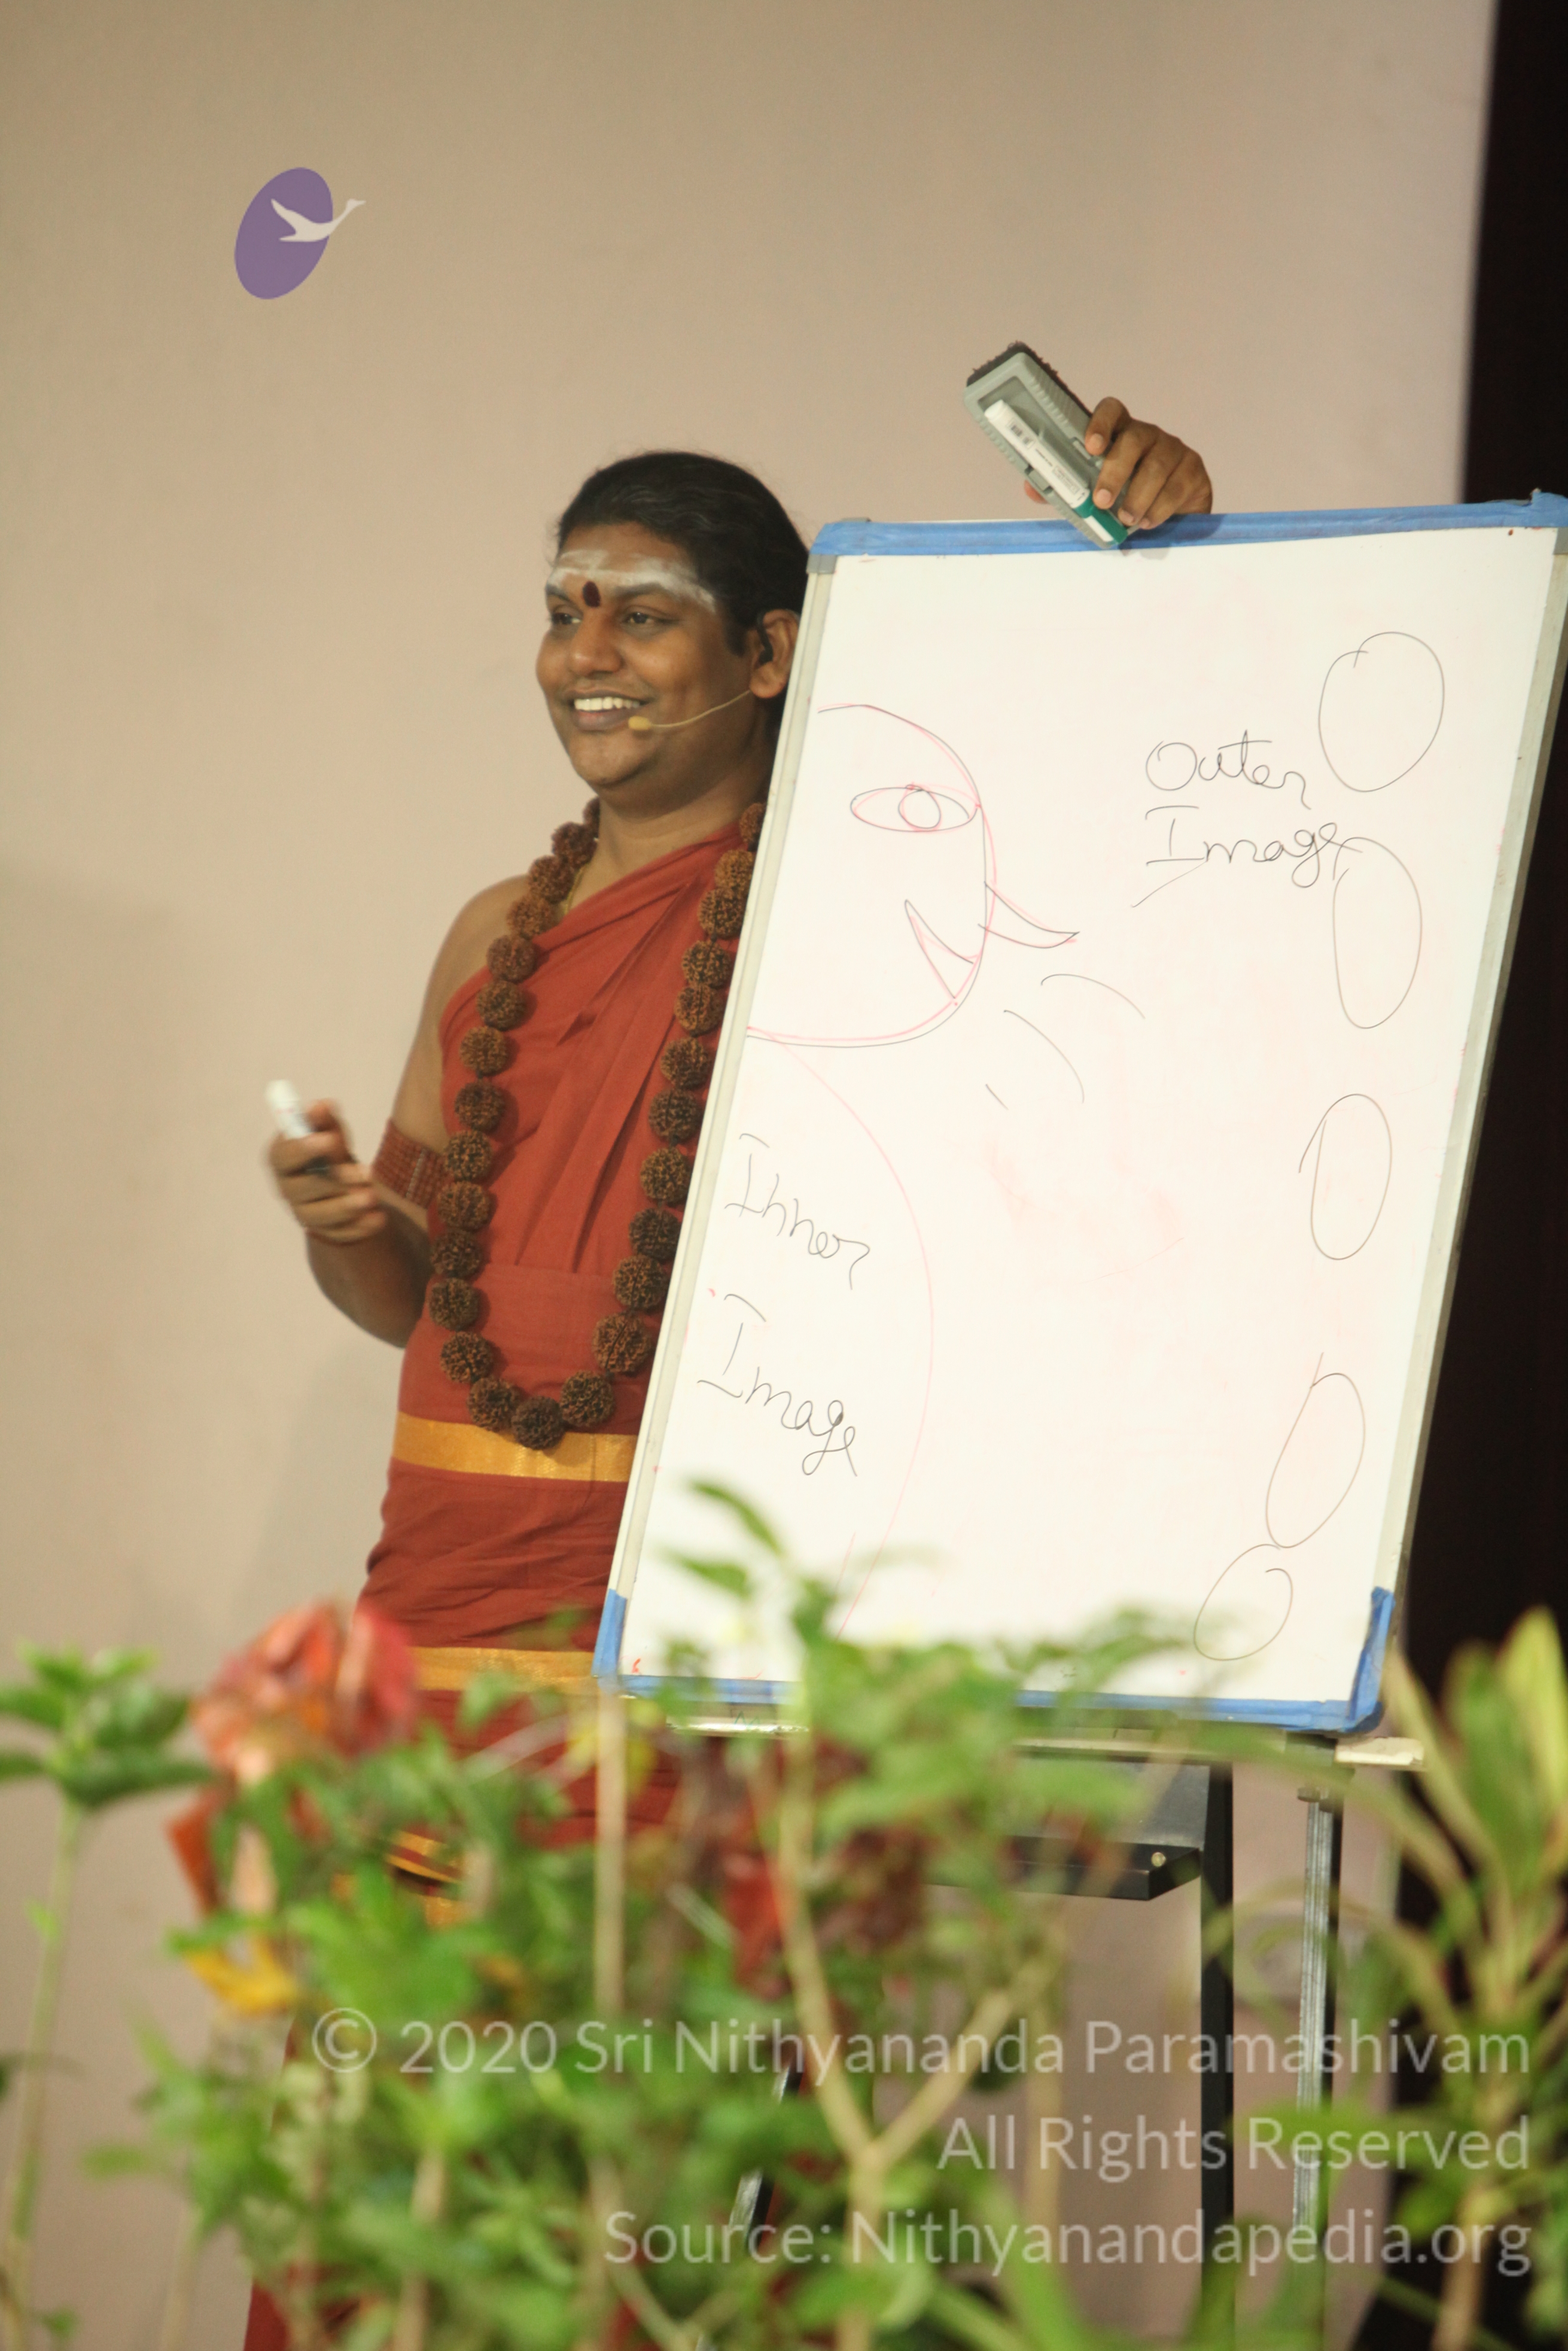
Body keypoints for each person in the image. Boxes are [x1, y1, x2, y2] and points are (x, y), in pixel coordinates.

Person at [266, 400, 1213, 1705]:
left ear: (767, 653)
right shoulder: (493, 933)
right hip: (439, 1591)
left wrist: (1170, 539)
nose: (584, 654)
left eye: (641, 615)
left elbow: (1124, 818)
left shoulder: (854, 915)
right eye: (563, 611)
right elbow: (412, 1300)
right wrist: (344, 1226)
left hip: (698, 1603)